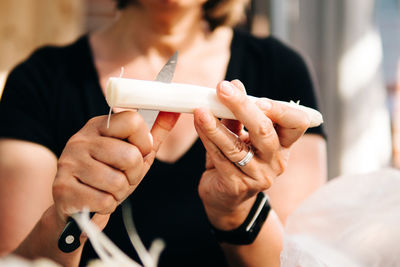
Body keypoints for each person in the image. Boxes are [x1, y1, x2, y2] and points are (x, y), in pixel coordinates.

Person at [0, 0, 327, 266]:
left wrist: (238, 212)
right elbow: (15, 261)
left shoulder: (282, 72)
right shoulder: (40, 81)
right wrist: (65, 218)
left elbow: (298, 260)